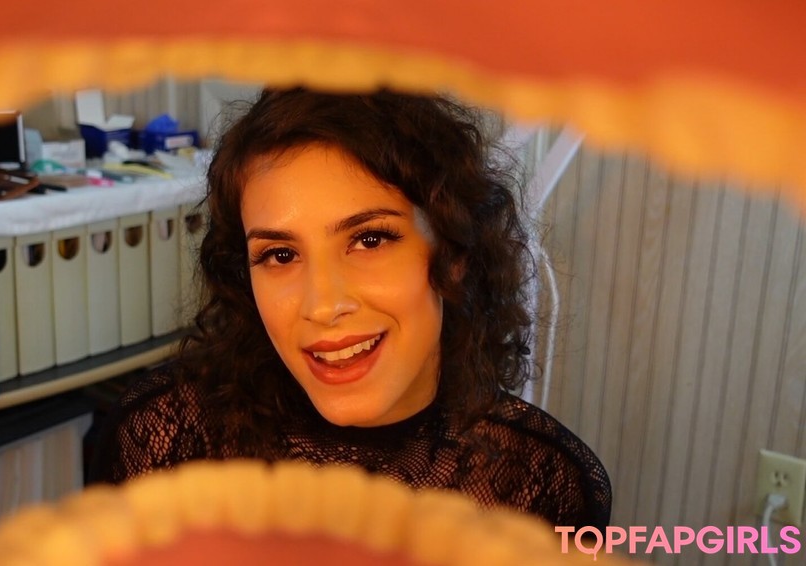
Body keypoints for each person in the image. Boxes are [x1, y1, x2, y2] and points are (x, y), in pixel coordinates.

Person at [90, 87, 612, 530]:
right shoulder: (162, 442)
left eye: (369, 240)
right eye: (280, 255)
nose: (323, 305)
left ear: (454, 255)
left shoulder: (540, 486)